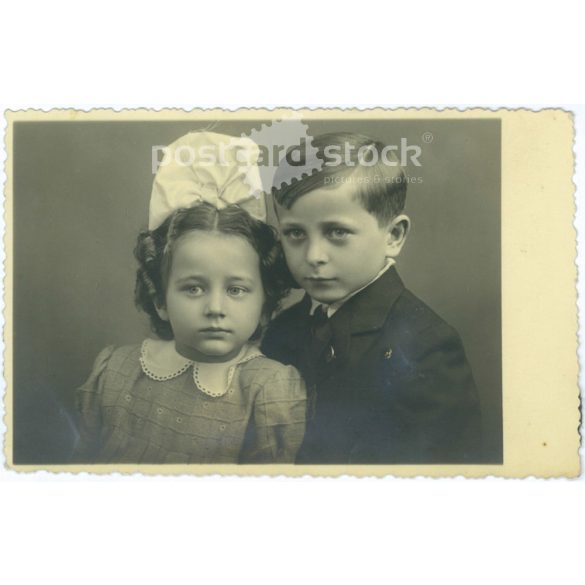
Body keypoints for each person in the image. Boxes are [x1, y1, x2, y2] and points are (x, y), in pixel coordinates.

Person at [73, 132, 307, 464]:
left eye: (236, 290)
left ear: (264, 301)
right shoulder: (115, 372)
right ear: (159, 300)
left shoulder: (267, 390)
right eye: (193, 288)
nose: (215, 309)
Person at [261, 132, 482, 464]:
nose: (314, 255)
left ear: (393, 236)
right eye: (295, 233)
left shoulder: (427, 347)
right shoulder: (283, 330)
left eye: (337, 232)